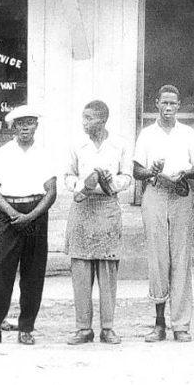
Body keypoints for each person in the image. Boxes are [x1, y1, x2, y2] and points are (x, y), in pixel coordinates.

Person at [0, 105, 57, 346]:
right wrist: (11, 212)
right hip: (7, 215)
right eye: (20, 123)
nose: (25, 127)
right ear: (14, 127)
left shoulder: (45, 153)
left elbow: (51, 191)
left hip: (36, 215)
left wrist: (32, 215)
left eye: (29, 122)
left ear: (36, 125)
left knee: (33, 274)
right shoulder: (4, 152)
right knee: (0, 274)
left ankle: (26, 328)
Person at [133, 85, 194, 342]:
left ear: (179, 105)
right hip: (155, 194)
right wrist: (152, 171)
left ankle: (181, 325)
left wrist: (184, 173)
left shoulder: (187, 133)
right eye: (164, 103)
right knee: (158, 259)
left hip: (181, 194)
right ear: (156, 103)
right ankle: (159, 323)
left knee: (181, 258)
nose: (168, 108)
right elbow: (136, 172)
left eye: (172, 104)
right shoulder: (146, 134)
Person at [64, 100, 132, 345]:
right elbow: (68, 176)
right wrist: (82, 185)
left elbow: (128, 177)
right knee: (81, 270)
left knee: (107, 270)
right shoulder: (76, 145)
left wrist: (111, 182)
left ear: (102, 120)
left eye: (89, 118)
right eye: (83, 118)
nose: (84, 123)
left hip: (107, 209)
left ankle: (108, 328)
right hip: (82, 208)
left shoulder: (119, 145)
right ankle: (83, 328)